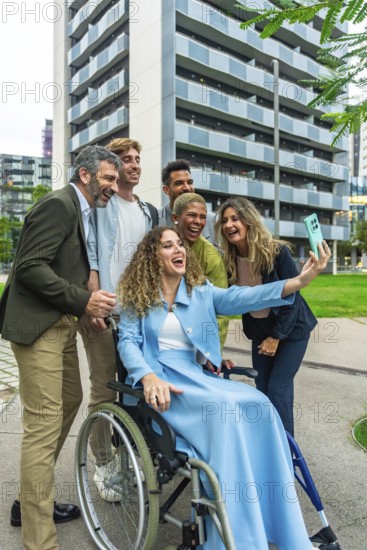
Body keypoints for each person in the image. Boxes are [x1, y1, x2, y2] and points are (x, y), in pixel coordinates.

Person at [116, 226, 330, 550]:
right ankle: (234, 537)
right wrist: (147, 376)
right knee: (227, 412)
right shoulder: (138, 298)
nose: (179, 250)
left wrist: (298, 281)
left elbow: (241, 296)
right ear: (151, 257)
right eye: (168, 245)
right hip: (163, 382)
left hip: (197, 375)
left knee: (260, 405)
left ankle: (275, 525)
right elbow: (128, 343)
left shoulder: (199, 292)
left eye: (180, 245)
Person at [0, 145, 121, 550]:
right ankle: (40, 540)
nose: (113, 187)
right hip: (38, 327)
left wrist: (84, 307)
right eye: (108, 178)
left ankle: (34, 498)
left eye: (116, 180)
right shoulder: (59, 205)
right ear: (85, 175)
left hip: (62, 323)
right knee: (44, 423)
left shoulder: (83, 211)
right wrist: (83, 300)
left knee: (71, 399)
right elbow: (30, 267)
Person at [79, 137, 158, 502]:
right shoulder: (100, 203)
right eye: (126, 159)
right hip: (103, 310)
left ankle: (132, 456)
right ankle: (104, 463)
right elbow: (89, 247)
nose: (134, 164)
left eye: (137, 158)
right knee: (103, 388)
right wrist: (92, 294)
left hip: (137, 314)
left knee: (135, 386)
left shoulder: (146, 211)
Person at [215, 196, 318, 436]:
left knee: (278, 388)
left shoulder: (276, 251)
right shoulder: (228, 259)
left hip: (291, 330)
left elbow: (293, 297)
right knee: (262, 388)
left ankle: (287, 455)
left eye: (235, 219)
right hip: (260, 332)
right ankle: (268, 444)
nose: (229, 225)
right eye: (225, 221)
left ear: (249, 221)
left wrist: (276, 336)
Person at [172, 192, 229, 349]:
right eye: (191, 215)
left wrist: (214, 350)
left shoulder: (211, 256)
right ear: (175, 218)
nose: (198, 221)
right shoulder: (156, 246)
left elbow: (221, 308)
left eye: (203, 217)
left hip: (195, 339)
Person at [158, 159, 217, 243]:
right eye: (179, 183)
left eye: (190, 182)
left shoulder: (212, 220)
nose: (187, 188)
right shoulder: (154, 218)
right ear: (166, 190)